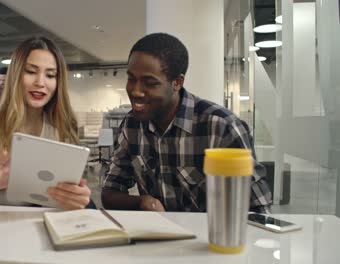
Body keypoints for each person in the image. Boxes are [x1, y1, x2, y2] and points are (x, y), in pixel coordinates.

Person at [101, 33, 272, 213]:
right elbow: (109, 191)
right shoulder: (131, 125)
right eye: (131, 79)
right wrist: (142, 202)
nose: (135, 91)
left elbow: (259, 209)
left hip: (213, 237)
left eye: (149, 83)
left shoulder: (221, 127)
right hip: (158, 237)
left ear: (177, 83)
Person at [0, 36, 92, 210]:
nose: (40, 83)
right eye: (31, 71)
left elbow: (67, 193)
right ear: (16, 75)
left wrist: (75, 197)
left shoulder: (61, 126)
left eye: (50, 75)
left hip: (43, 216)